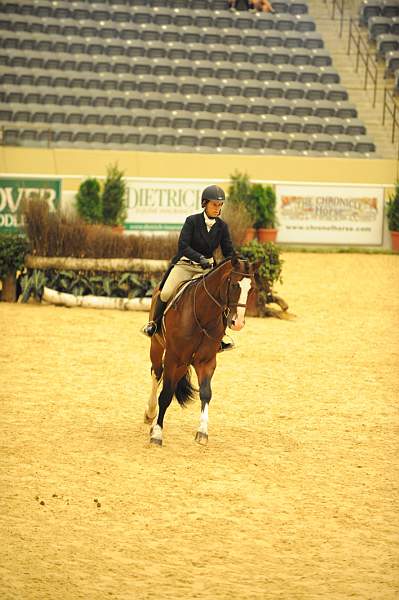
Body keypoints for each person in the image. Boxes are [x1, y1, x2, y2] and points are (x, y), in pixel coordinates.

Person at [142, 184, 235, 351]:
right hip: (186, 265)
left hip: (207, 270)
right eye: (214, 204)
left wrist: (241, 263)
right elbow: (183, 246)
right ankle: (154, 325)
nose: (218, 208)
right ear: (204, 203)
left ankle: (221, 336)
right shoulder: (192, 221)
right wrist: (199, 258)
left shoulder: (222, 227)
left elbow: (228, 251)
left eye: (220, 205)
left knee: (221, 298)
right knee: (166, 292)